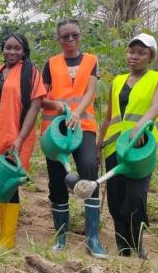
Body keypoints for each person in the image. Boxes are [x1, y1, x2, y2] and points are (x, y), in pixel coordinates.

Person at [99, 34, 158, 258]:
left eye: (141, 53)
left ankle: (137, 245)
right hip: (114, 147)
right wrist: (98, 142)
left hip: (140, 149)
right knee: (115, 201)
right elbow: (110, 116)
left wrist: (141, 126)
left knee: (135, 198)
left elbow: (157, 105)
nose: (134, 56)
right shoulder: (117, 81)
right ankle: (124, 251)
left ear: (150, 57)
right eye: (132, 51)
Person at [41, 19, 106, 258]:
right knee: (57, 180)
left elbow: (90, 91)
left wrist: (77, 113)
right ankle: (61, 236)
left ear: (81, 36)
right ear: (58, 39)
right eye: (65, 36)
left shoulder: (91, 61)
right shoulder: (50, 63)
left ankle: (93, 237)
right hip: (54, 131)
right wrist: (55, 104)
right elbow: (41, 96)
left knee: (89, 168)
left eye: (75, 36)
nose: (70, 40)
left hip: (83, 126)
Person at [0, 32, 46, 249]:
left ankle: (9, 239)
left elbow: (35, 107)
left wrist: (20, 138)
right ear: (2, 49)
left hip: (15, 136)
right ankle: (1, 234)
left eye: (17, 48)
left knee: (10, 185)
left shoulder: (30, 73)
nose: (12, 52)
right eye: (8, 47)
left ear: (24, 51)